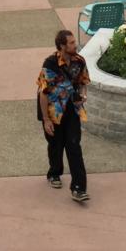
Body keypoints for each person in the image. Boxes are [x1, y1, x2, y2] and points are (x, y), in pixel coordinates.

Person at [37, 29, 90, 202]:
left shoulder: (79, 61)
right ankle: (54, 173)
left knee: (74, 146)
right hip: (53, 112)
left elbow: (83, 82)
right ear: (62, 46)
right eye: (72, 43)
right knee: (56, 144)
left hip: (72, 110)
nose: (76, 45)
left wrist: (82, 95)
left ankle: (79, 188)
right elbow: (43, 93)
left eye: (74, 42)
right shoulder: (50, 64)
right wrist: (46, 120)